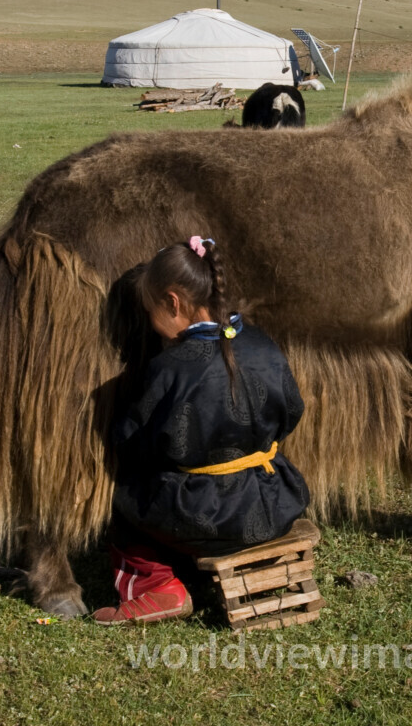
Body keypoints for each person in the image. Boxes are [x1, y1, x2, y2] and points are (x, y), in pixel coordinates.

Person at [93, 236, 311, 625]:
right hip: (276, 499)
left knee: (127, 500)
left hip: (207, 515)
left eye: (150, 311)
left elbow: (132, 440)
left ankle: (156, 586)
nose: (151, 323)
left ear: (173, 303)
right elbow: (293, 410)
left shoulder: (169, 369)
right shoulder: (262, 344)